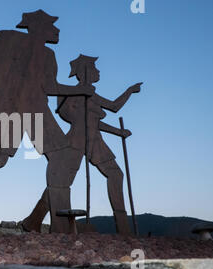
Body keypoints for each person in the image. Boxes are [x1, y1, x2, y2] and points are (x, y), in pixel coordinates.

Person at [0, 10, 94, 232]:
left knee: (61, 157)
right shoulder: (7, 38)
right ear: (38, 25)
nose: (57, 30)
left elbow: (50, 87)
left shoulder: (49, 56)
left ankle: (54, 224)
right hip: (8, 106)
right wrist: (12, 88)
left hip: (37, 111)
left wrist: (79, 89)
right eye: (52, 25)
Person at [21, 54, 142, 235]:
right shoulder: (80, 93)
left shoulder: (89, 94)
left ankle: (124, 229)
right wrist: (129, 91)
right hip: (76, 143)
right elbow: (113, 106)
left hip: (95, 141)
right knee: (61, 184)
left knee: (115, 175)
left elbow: (94, 122)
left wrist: (119, 132)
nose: (98, 71)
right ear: (85, 72)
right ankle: (33, 221)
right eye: (95, 68)